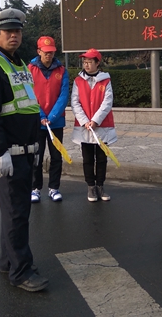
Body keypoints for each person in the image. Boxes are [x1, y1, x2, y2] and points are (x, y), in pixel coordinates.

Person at [0, 8, 48, 293]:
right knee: (17, 213)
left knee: (15, 212)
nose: (14, 35)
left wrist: (36, 146)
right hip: (9, 154)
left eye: (17, 31)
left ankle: (8, 261)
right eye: (8, 32)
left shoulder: (18, 66)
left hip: (26, 150)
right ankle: (22, 271)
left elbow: (28, 107)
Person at [71, 48, 117, 202]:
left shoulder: (106, 80)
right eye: (85, 62)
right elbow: (75, 102)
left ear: (98, 63)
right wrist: (85, 121)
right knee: (88, 158)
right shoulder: (78, 81)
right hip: (84, 127)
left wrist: (95, 120)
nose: (87, 65)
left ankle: (100, 186)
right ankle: (91, 187)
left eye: (90, 62)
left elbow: (107, 102)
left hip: (101, 126)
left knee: (102, 158)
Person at [28, 36, 69, 203]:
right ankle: (35, 188)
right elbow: (28, 94)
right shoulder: (30, 69)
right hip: (36, 121)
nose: (49, 55)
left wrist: (51, 116)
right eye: (46, 52)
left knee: (56, 157)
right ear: (38, 52)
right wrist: (41, 116)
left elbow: (63, 95)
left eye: (51, 52)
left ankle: (54, 188)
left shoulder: (62, 70)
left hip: (56, 122)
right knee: (36, 156)